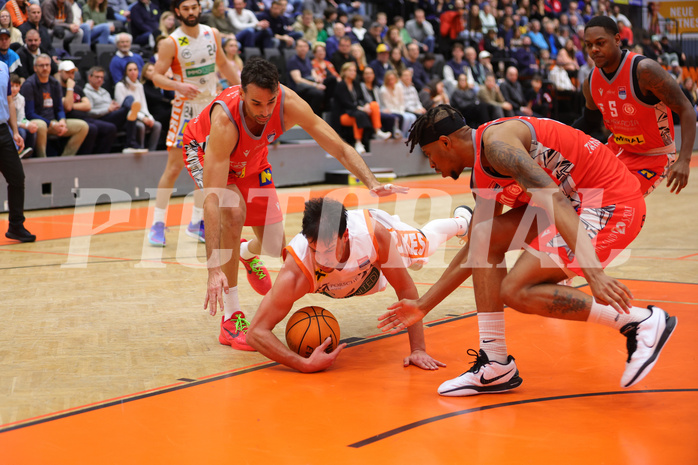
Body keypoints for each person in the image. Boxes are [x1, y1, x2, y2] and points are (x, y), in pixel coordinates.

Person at [379, 105, 679, 396]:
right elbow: (477, 249)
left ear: (446, 142)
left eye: (430, 154)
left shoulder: (498, 146)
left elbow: (556, 202)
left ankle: (638, 321)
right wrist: (422, 306)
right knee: (484, 235)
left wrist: (593, 272)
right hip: (575, 201)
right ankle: (495, 363)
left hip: (610, 202)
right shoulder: (483, 172)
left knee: (516, 290)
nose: (431, 165)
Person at [182, 57, 407, 350]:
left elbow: (338, 146)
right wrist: (214, 269)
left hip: (253, 159)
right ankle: (231, 317)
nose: (264, 112)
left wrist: (371, 182)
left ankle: (245, 254)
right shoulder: (224, 122)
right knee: (233, 214)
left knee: (276, 246)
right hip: (204, 152)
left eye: (270, 102)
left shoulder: (290, 104)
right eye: (256, 104)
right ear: (241, 93)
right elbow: (212, 201)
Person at [247, 197, 472, 371]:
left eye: (328, 250)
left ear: (345, 236)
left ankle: (462, 221)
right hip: (356, 277)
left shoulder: (374, 236)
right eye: (315, 250)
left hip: (374, 253)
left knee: (424, 246)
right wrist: (302, 364)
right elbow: (255, 333)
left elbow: (405, 288)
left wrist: (418, 350)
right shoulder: (297, 269)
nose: (321, 260)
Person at [148, 0, 240, 247]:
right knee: (174, 168)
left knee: (208, 170)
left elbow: (222, 64)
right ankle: (157, 223)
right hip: (185, 111)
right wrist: (178, 85)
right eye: (185, 8)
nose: (191, 12)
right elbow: (156, 76)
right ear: (178, 11)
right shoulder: (171, 42)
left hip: (211, 110)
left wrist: (242, 87)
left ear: (200, 9)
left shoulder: (213, 34)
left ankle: (196, 222)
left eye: (194, 7)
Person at [574, 16, 695, 196]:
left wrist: (684, 159)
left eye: (600, 43)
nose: (594, 50)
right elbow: (589, 121)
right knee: (579, 193)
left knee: (614, 200)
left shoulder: (644, 71)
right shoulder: (590, 82)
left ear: (617, 40)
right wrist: (554, 139)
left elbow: (686, 109)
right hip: (619, 150)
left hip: (655, 155)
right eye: (589, 45)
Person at [20, 54, 89, 157]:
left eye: (47, 65)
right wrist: (52, 124)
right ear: (35, 68)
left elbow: (59, 108)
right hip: (37, 122)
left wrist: (62, 121)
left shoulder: (54, 83)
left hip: (54, 122)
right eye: (41, 65)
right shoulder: (29, 85)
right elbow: (29, 114)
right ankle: (42, 158)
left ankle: (66, 158)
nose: (45, 68)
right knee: (42, 125)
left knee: (83, 126)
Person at [0, 61, 35, 242]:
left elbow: (9, 101)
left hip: (2, 130)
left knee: (17, 177)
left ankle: (16, 226)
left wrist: (15, 131)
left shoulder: (3, 67)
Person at [83, 65, 144, 153]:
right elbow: (89, 112)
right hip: (102, 118)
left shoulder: (104, 91)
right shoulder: (86, 92)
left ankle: (130, 109)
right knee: (128, 111)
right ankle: (130, 143)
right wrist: (108, 109)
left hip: (112, 116)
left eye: (102, 77)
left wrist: (115, 106)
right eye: (97, 77)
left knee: (129, 98)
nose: (100, 79)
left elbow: (110, 104)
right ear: (90, 77)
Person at [333, 61, 390, 154]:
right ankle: (358, 142)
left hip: (356, 111)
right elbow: (345, 103)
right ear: (344, 72)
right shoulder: (340, 85)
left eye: (354, 71)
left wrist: (366, 105)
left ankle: (378, 131)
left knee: (374, 104)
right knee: (359, 116)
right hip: (344, 114)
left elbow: (361, 98)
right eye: (350, 70)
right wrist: (361, 108)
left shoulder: (356, 84)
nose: (353, 73)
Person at [114, 61, 162, 151]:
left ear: (138, 71)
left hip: (141, 115)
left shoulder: (139, 86)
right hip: (128, 118)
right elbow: (124, 108)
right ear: (126, 72)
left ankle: (152, 151)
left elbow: (144, 106)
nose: (133, 72)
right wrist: (143, 118)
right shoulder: (120, 86)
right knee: (141, 126)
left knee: (157, 125)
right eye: (130, 70)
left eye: (135, 69)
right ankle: (140, 148)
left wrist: (150, 118)